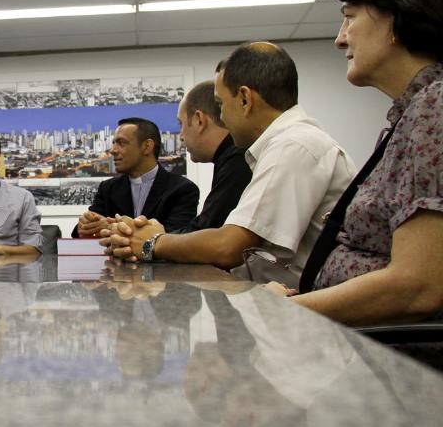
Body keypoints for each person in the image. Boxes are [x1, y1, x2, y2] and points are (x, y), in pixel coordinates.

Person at [270, 0, 443, 324]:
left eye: (350, 17)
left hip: (396, 361)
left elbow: (419, 285)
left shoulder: (435, 108)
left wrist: (276, 313)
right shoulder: (413, 112)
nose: (340, 38)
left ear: (397, 19)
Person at [105, 42, 356, 282]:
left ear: (245, 99)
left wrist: (153, 241)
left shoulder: (293, 146)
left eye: (221, 104)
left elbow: (229, 246)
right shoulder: (284, 145)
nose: (221, 116)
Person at [122, 81, 252, 236]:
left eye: (181, 124)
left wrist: (155, 238)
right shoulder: (230, 158)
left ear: (199, 120)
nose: (181, 136)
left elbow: (207, 233)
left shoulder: (237, 160)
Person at [74, 117, 199, 237]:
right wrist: (85, 223)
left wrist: (111, 227)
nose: (113, 150)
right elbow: (78, 233)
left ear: (147, 147)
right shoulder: (108, 188)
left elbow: (174, 237)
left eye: (121, 143)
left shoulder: (182, 190)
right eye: (113, 143)